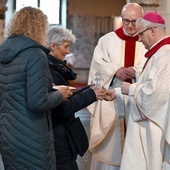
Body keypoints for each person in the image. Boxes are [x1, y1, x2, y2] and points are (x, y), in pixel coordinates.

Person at [0, 7, 72, 170]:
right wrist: (59, 94)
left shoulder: (3, 50)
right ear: (38, 27)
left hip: (7, 134)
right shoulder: (35, 54)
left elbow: (14, 89)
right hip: (31, 135)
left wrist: (47, 87)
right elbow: (38, 102)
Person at [87, 2, 147, 170]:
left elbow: (154, 67)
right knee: (111, 146)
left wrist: (135, 72)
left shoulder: (147, 40)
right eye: (126, 20)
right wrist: (115, 70)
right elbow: (97, 67)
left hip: (139, 102)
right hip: (112, 101)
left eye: (134, 21)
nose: (130, 25)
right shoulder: (107, 40)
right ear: (121, 19)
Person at [46, 25, 113, 170]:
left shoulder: (54, 68)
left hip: (60, 135)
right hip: (57, 137)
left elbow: (67, 96)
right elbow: (64, 108)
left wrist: (92, 91)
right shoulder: (51, 72)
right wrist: (91, 95)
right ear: (53, 46)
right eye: (66, 46)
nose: (68, 51)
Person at [121, 11, 170, 170]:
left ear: (153, 31)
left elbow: (157, 93)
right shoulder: (160, 53)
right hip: (149, 122)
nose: (139, 39)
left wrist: (131, 89)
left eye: (141, 34)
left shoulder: (165, 53)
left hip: (153, 126)